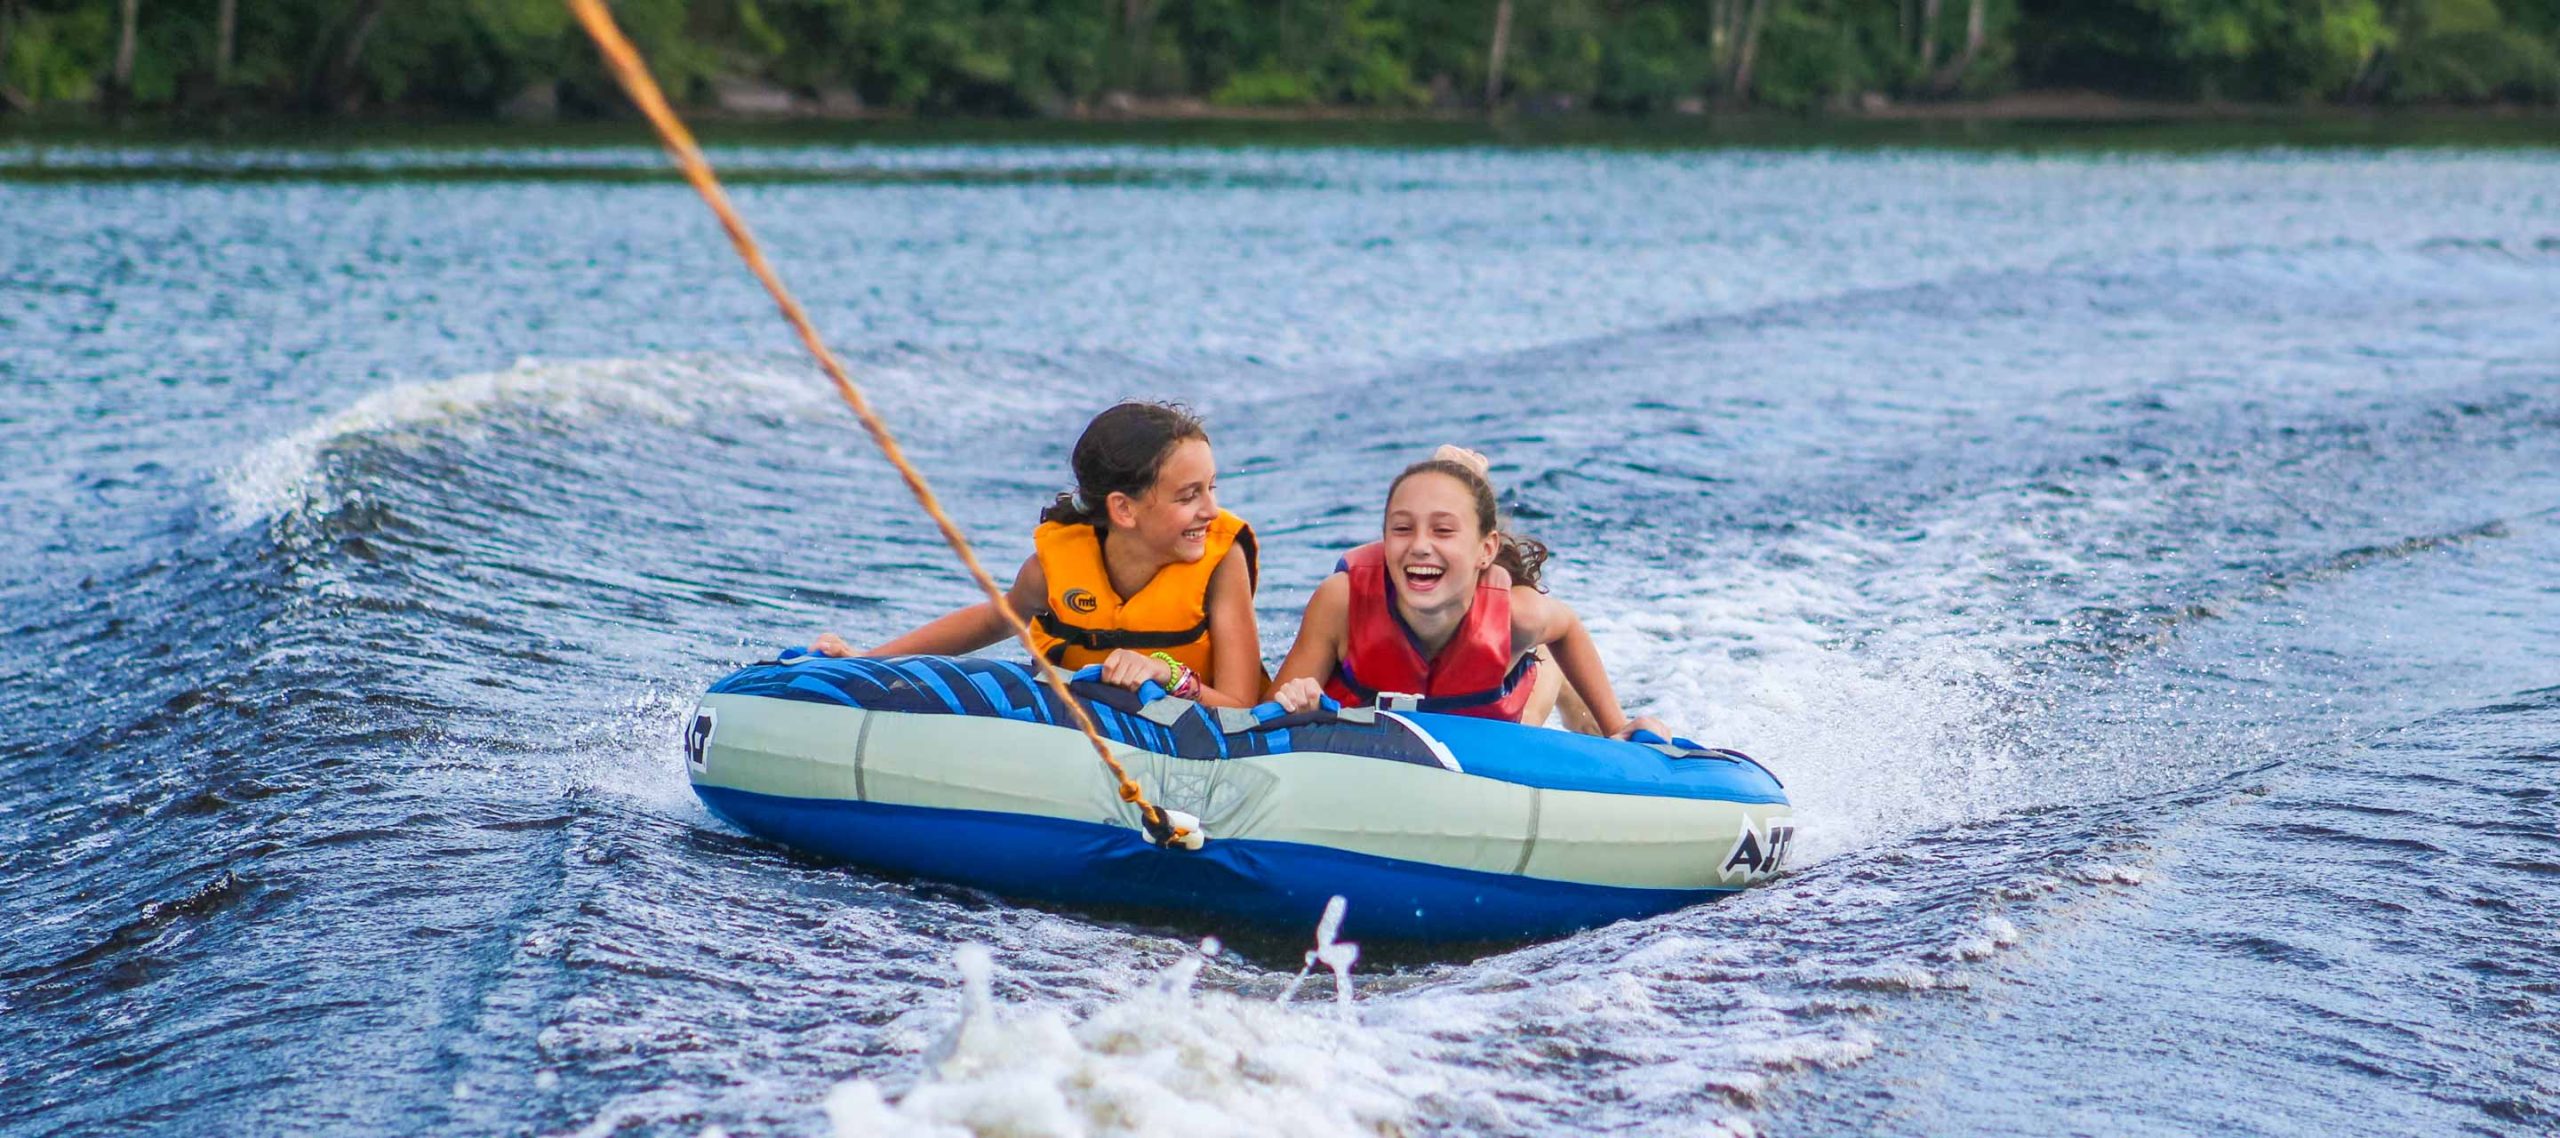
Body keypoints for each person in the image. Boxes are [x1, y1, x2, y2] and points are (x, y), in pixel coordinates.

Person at [809, 401, 1268, 707]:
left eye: (1212, 488)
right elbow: (996, 619)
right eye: (1189, 496)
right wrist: (867, 660)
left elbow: (1243, 707)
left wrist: (1163, 674)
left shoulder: (1221, 562)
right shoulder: (1061, 563)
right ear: (1123, 510)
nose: (1211, 510)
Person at [1268, 446, 1670, 739]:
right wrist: (1298, 703)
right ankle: (1453, 481)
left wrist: (1617, 726)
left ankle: (1547, 673)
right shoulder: (1343, 602)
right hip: (1378, 728)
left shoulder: (1519, 616)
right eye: (1401, 529)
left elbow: (1566, 628)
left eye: (1442, 530)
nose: (1420, 545)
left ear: (1487, 551)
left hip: (1485, 716)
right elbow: (1262, 720)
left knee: (1533, 706)